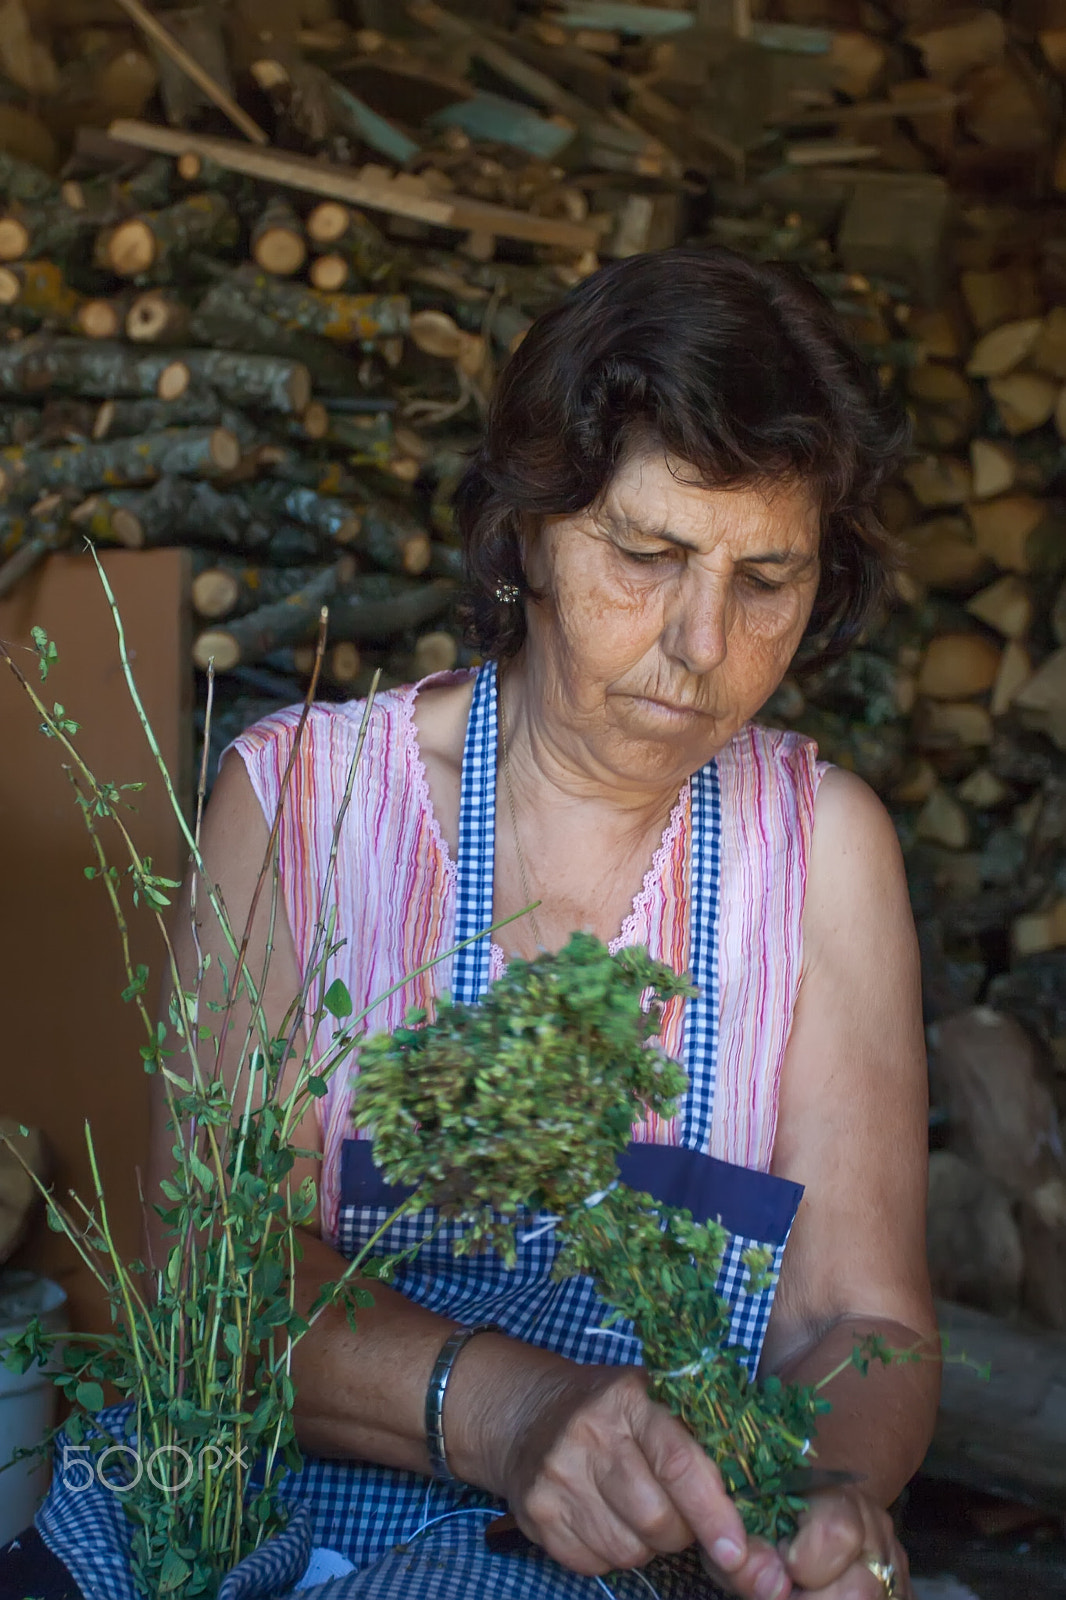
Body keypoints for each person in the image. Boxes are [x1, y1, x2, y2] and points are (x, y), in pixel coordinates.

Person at [26, 246, 937, 1600]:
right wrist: (513, 1418)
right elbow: (207, 1288)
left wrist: (823, 1494)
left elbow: (856, 1321)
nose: (701, 642)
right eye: (646, 554)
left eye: (767, 580)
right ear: (527, 531)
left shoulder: (818, 855)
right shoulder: (307, 806)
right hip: (287, 1536)